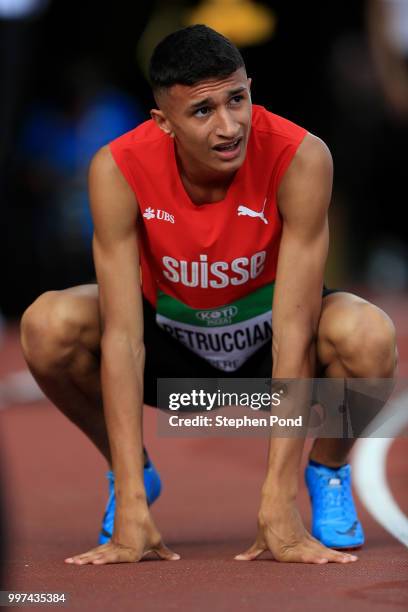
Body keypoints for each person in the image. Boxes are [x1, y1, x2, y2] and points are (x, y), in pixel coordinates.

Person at [20, 24, 398, 565]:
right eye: (202, 111)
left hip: (267, 357)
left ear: (250, 89)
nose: (229, 126)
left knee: (369, 335)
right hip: (173, 357)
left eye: (237, 99)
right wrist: (129, 501)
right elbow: (124, 338)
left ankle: (329, 469)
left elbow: (295, 328)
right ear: (163, 122)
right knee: (47, 323)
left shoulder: (301, 157)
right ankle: (132, 477)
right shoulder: (118, 168)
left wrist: (277, 498)